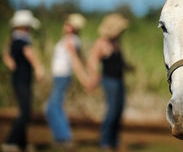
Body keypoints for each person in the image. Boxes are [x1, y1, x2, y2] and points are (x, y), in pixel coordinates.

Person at [1, 10, 45, 152]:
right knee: (25, 111)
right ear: (26, 26)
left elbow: (6, 55)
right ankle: (11, 141)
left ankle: (22, 143)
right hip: (22, 80)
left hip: (19, 79)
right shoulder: (22, 40)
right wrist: (38, 67)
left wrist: (12, 64)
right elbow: (29, 53)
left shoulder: (14, 39)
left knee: (24, 110)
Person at [88, 13, 131, 151]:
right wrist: (94, 76)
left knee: (119, 111)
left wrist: (129, 67)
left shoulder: (116, 43)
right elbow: (92, 61)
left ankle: (115, 141)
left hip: (119, 81)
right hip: (109, 81)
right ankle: (105, 142)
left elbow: (121, 61)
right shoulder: (102, 43)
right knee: (112, 112)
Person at [45, 13, 88, 149]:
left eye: (68, 24)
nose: (65, 26)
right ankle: (61, 137)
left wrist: (84, 78)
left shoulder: (70, 40)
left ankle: (64, 138)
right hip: (59, 77)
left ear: (73, 28)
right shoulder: (71, 40)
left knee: (53, 107)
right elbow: (81, 58)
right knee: (52, 107)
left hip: (62, 77)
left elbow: (75, 60)